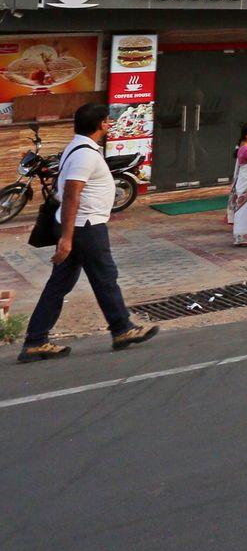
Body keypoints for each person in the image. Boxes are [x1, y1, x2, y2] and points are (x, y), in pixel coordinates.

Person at [17, 104, 160, 363]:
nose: (109, 124)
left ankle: (35, 341)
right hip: (85, 227)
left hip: (81, 225)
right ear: (103, 124)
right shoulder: (85, 154)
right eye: (108, 121)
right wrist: (67, 238)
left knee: (60, 284)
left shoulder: (79, 146)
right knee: (105, 277)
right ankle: (122, 329)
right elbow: (72, 194)